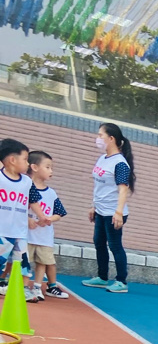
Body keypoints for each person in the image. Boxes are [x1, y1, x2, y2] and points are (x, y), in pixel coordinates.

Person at [82, 122, 136, 294]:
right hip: (100, 210)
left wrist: (118, 212)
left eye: (100, 135)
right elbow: (99, 186)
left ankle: (121, 281)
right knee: (98, 242)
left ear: (111, 138)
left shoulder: (120, 163)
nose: (97, 138)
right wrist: (93, 206)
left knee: (115, 245)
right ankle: (102, 277)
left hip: (113, 212)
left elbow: (123, 189)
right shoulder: (103, 158)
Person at [0, 138, 51, 302]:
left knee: (22, 263)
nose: (28, 164)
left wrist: (42, 216)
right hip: (2, 232)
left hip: (20, 233)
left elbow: (33, 201)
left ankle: (22, 289)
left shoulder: (27, 182)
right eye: (25, 159)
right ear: (12, 160)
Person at [27, 150, 69, 300]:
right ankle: (20, 285)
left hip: (44, 237)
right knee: (24, 261)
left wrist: (50, 219)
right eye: (48, 167)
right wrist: (28, 220)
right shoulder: (25, 187)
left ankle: (37, 287)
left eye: (52, 168)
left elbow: (60, 212)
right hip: (26, 235)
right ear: (34, 167)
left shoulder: (51, 193)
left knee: (43, 262)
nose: (51, 171)